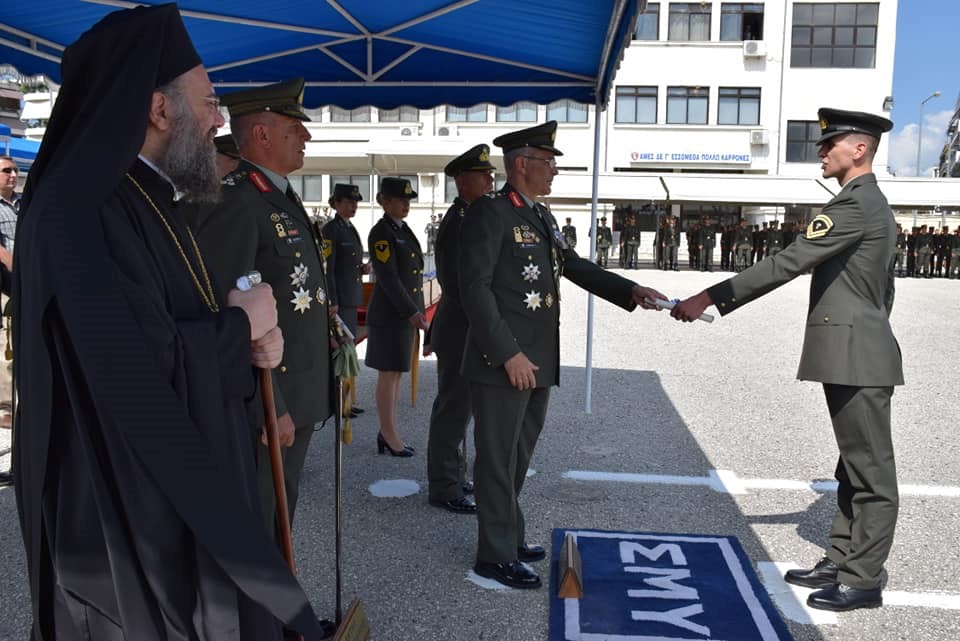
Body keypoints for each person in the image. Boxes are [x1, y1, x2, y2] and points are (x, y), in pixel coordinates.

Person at [11, 5, 328, 638]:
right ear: (159, 111)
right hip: (118, 509)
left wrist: (245, 335)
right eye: (209, 103)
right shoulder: (85, 211)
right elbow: (129, 371)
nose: (219, 119)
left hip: (154, 488)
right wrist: (240, 330)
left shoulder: (142, 194)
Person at [673, 108, 902, 613]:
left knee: (871, 472)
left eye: (830, 143)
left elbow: (787, 262)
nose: (821, 151)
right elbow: (883, 290)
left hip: (858, 355)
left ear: (859, 149)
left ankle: (862, 578)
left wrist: (709, 296)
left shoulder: (854, 206)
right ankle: (842, 557)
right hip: (856, 351)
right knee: (851, 466)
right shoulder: (865, 205)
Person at [458, 121, 666, 590]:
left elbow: (571, 265)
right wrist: (507, 352)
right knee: (496, 457)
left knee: (518, 454)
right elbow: (475, 290)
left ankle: (508, 535)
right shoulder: (491, 214)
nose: (554, 171)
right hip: (505, 360)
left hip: (538, 358)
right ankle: (493, 555)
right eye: (548, 162)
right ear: (520, 165)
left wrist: (630, 289)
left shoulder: (541, 215)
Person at [193, 77, 334, 534]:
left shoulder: (275, 195)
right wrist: (269, 405)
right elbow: (231, 316)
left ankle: (277, 604)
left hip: (299, 390)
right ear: (262, 134)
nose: (306, 136)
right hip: (273, 396)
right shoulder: (236, 201)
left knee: (281, 509)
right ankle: (262, 607)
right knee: (261, 516)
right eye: (296, 128)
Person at [425, 144, 495, 513]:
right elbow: (460, 282)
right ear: (462, 181)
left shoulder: (469, 216)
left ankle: (452, 473)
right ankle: (444, 485)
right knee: (453, 406)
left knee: (461, 406)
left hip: (463, 324)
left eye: (489, 174)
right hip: (460, 327)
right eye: (483, 175)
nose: (489, 180)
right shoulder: (462, 221)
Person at [366, 176, 427, 457]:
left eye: (408, 200)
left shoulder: (403, 229)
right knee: (388, 375)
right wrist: (412, 312)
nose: (406, 204)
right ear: (383, 201)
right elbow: (389, 279)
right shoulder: (381, 232)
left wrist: (417, 310)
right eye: (400, 199)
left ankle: (387, 432)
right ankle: (389, 434)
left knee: (396, 375)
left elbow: (414, 277)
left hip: (403, 315)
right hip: (391, 315)